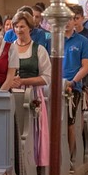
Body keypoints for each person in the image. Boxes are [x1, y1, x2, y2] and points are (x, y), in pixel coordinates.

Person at [9, 10, 52, 164]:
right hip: (12, 94)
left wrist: (24, 81)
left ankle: (32, 162)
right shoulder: (9, 48)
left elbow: (47, 77)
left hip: (32, 93)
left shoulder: (39, 50)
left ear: (30, 28)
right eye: (16, 26)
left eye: (22, 26)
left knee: (31, 129)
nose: (19, 30)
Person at [62, 5, 88, 164]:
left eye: (70, 19)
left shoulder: (82, 41)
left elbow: (86, 66)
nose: (67, 22)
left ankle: (69, 156)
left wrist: (73, 82)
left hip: (72, 86)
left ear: (74, 20)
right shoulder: (52, 40)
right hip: (54, 85)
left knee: (70, 122)